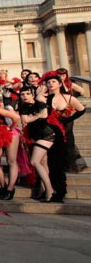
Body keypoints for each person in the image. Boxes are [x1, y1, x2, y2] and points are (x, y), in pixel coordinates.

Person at [45, 73, 86, 201]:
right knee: (49, 163)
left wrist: (68, 119)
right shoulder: (44, 98)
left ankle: (60, 191)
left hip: (62, 134)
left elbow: (81, 109)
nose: (50, 84)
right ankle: (49, 190)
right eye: (48, 82)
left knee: (58, 163)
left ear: (59, 84)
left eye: (53, 82)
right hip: (47, 133)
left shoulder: (68, 98)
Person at [18, 86, 55, 202]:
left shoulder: (39, 103)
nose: (25, 96)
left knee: (34, 161)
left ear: (32, 95)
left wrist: (33, 116)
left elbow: (43, 115)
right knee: (43, 163)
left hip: (46, 135)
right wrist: (37, 115)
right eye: (22, 94)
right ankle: (43, 190)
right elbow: (25, 120)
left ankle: (50, 191)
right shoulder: (23, 107)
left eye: (27, 94)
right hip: (36, 137)